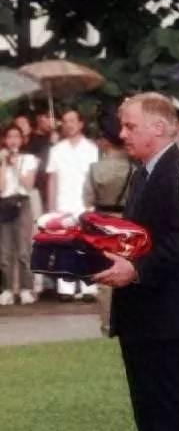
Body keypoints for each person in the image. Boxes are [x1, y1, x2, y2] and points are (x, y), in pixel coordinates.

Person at [93, 92, 179, 431]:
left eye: (130, 126)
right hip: (140, 313)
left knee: (171, 401)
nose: (123, 134)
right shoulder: (143, 173)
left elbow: (178, 244)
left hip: (169, 312)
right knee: (146, 403)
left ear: (159, 127)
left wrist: (135, 271)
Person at [83, 111, 134, 335]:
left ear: (104, 141)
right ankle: (128, 320)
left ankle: (107, 323)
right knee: (129, 271)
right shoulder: (133, 168)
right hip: (128, 222)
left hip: (102, 221)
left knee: (105, 276)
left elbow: (88, 198)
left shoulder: (96, 168)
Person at [47, 108, 99, 301]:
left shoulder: (92, 149)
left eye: (72, 121)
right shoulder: (56, 149)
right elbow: (52, 179)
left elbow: (96, 178)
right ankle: (66, 289)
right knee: (64, 247)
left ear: (80, 123)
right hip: (63, 203)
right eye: (65, 121)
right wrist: (52, 208)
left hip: (86, 204)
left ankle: (88, 288)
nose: (68, 125)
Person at [0, 125, 38, 306]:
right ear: (5, 140)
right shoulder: (1, 158)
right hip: (4, 204)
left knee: (24, 250)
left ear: (22, 140)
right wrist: (3, 164)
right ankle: (7, 289)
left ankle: (25, 288)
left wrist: (15, 166)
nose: (13, 140)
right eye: (10, 137)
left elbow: (28, 185)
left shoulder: (29, 159)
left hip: (22, 203)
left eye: (16, 136)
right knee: (5, 251)